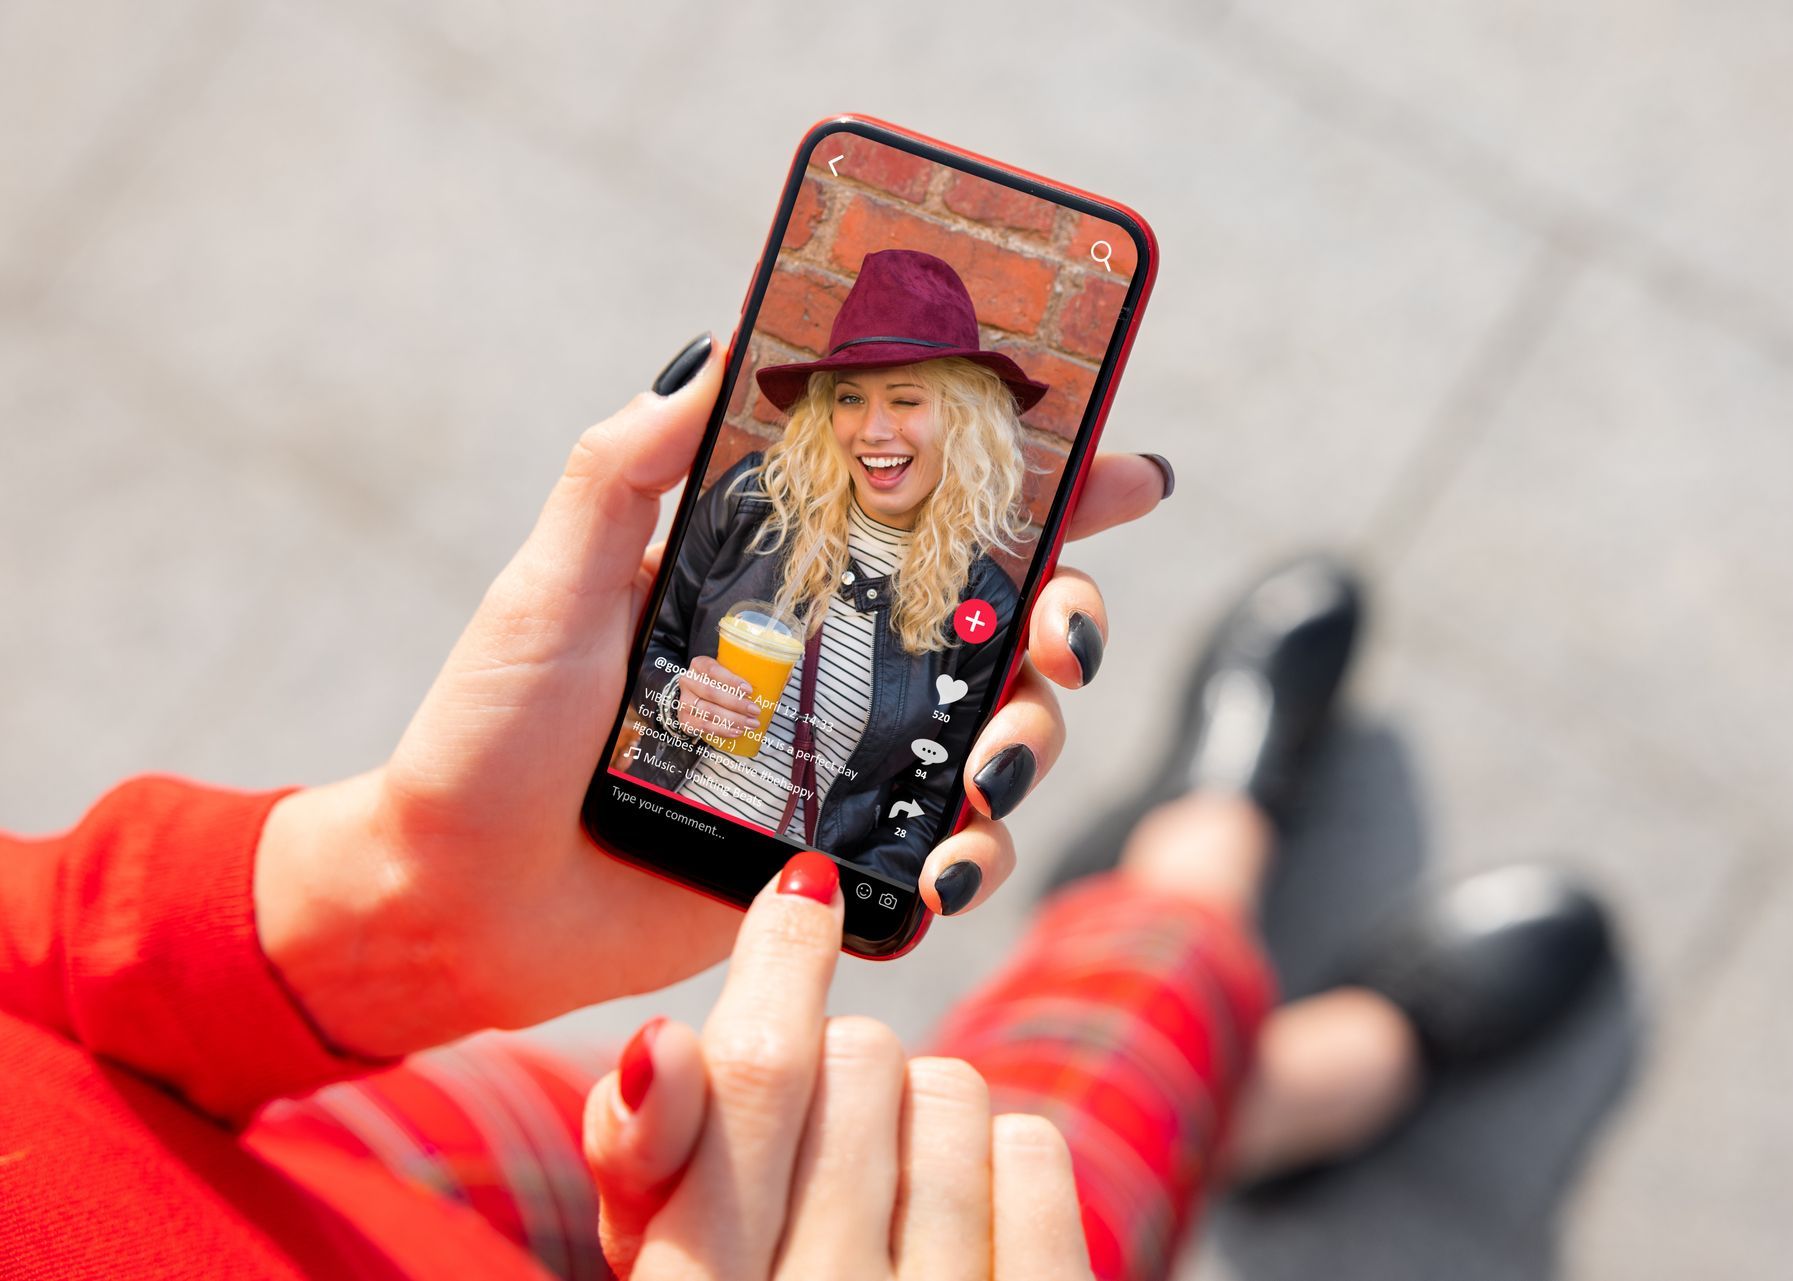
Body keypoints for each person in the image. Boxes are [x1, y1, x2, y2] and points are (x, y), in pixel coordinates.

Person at [1, 341, 1608, 1280]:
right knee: (1008, 1162)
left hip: (270, 1166)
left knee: (824, 1131)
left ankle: (1229, 1059)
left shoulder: (778, 540)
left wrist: (381, 919)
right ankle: (1211, 927)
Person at [624, 249, 1055, 885]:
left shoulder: (982, 603)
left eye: (906, 400)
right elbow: (645, 645)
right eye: (851, 398)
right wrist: (675, 697)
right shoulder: (753, 503)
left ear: (963, 422)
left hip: (797, 893)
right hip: (660, 832)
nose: (872, 429)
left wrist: (846, 898)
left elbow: (929, 800)